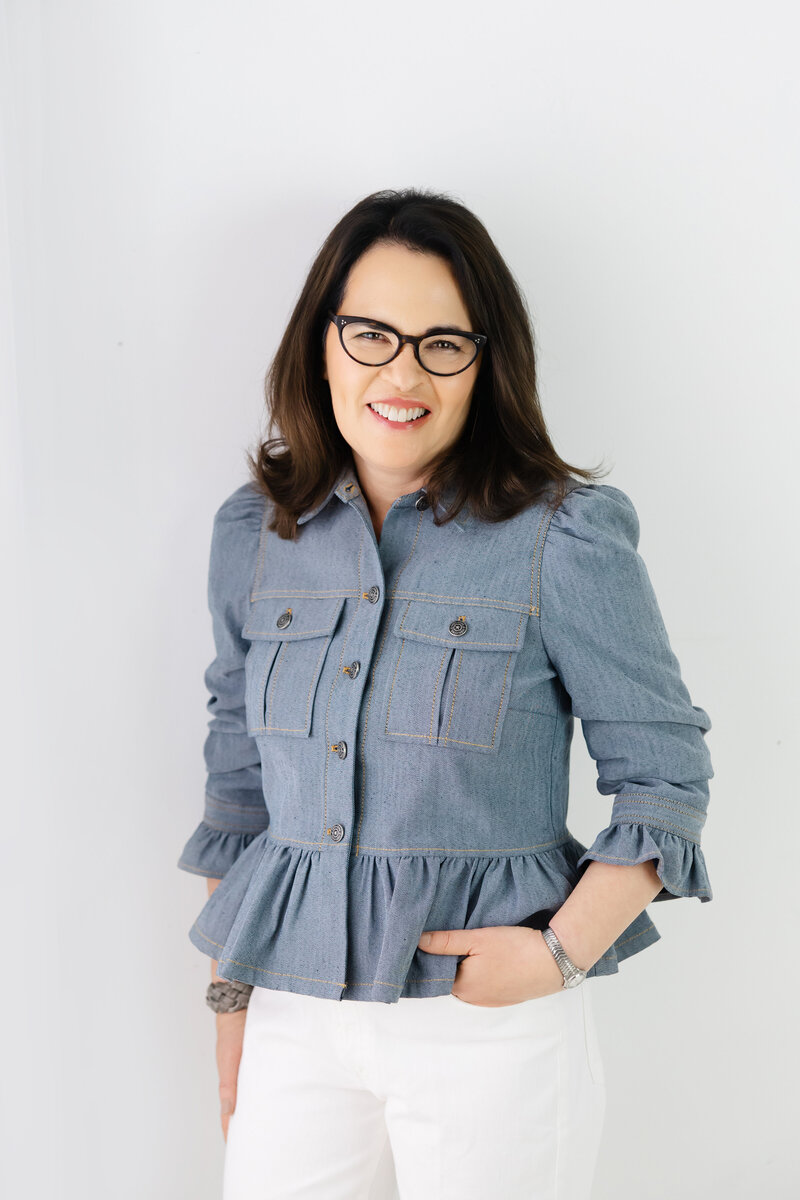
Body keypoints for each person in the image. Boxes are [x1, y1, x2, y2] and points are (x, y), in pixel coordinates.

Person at [177, 187, 714, 1200]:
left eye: (440, 344)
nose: (401, 372)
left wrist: (554, 957)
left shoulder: (563, 536)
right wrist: (231, 1022)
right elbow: (236, 792)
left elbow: (663, 780)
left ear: (484, 362)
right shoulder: (255, 534)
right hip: (293, 1016)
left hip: (486, 1030)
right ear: (321, 343)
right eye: (370, 334)